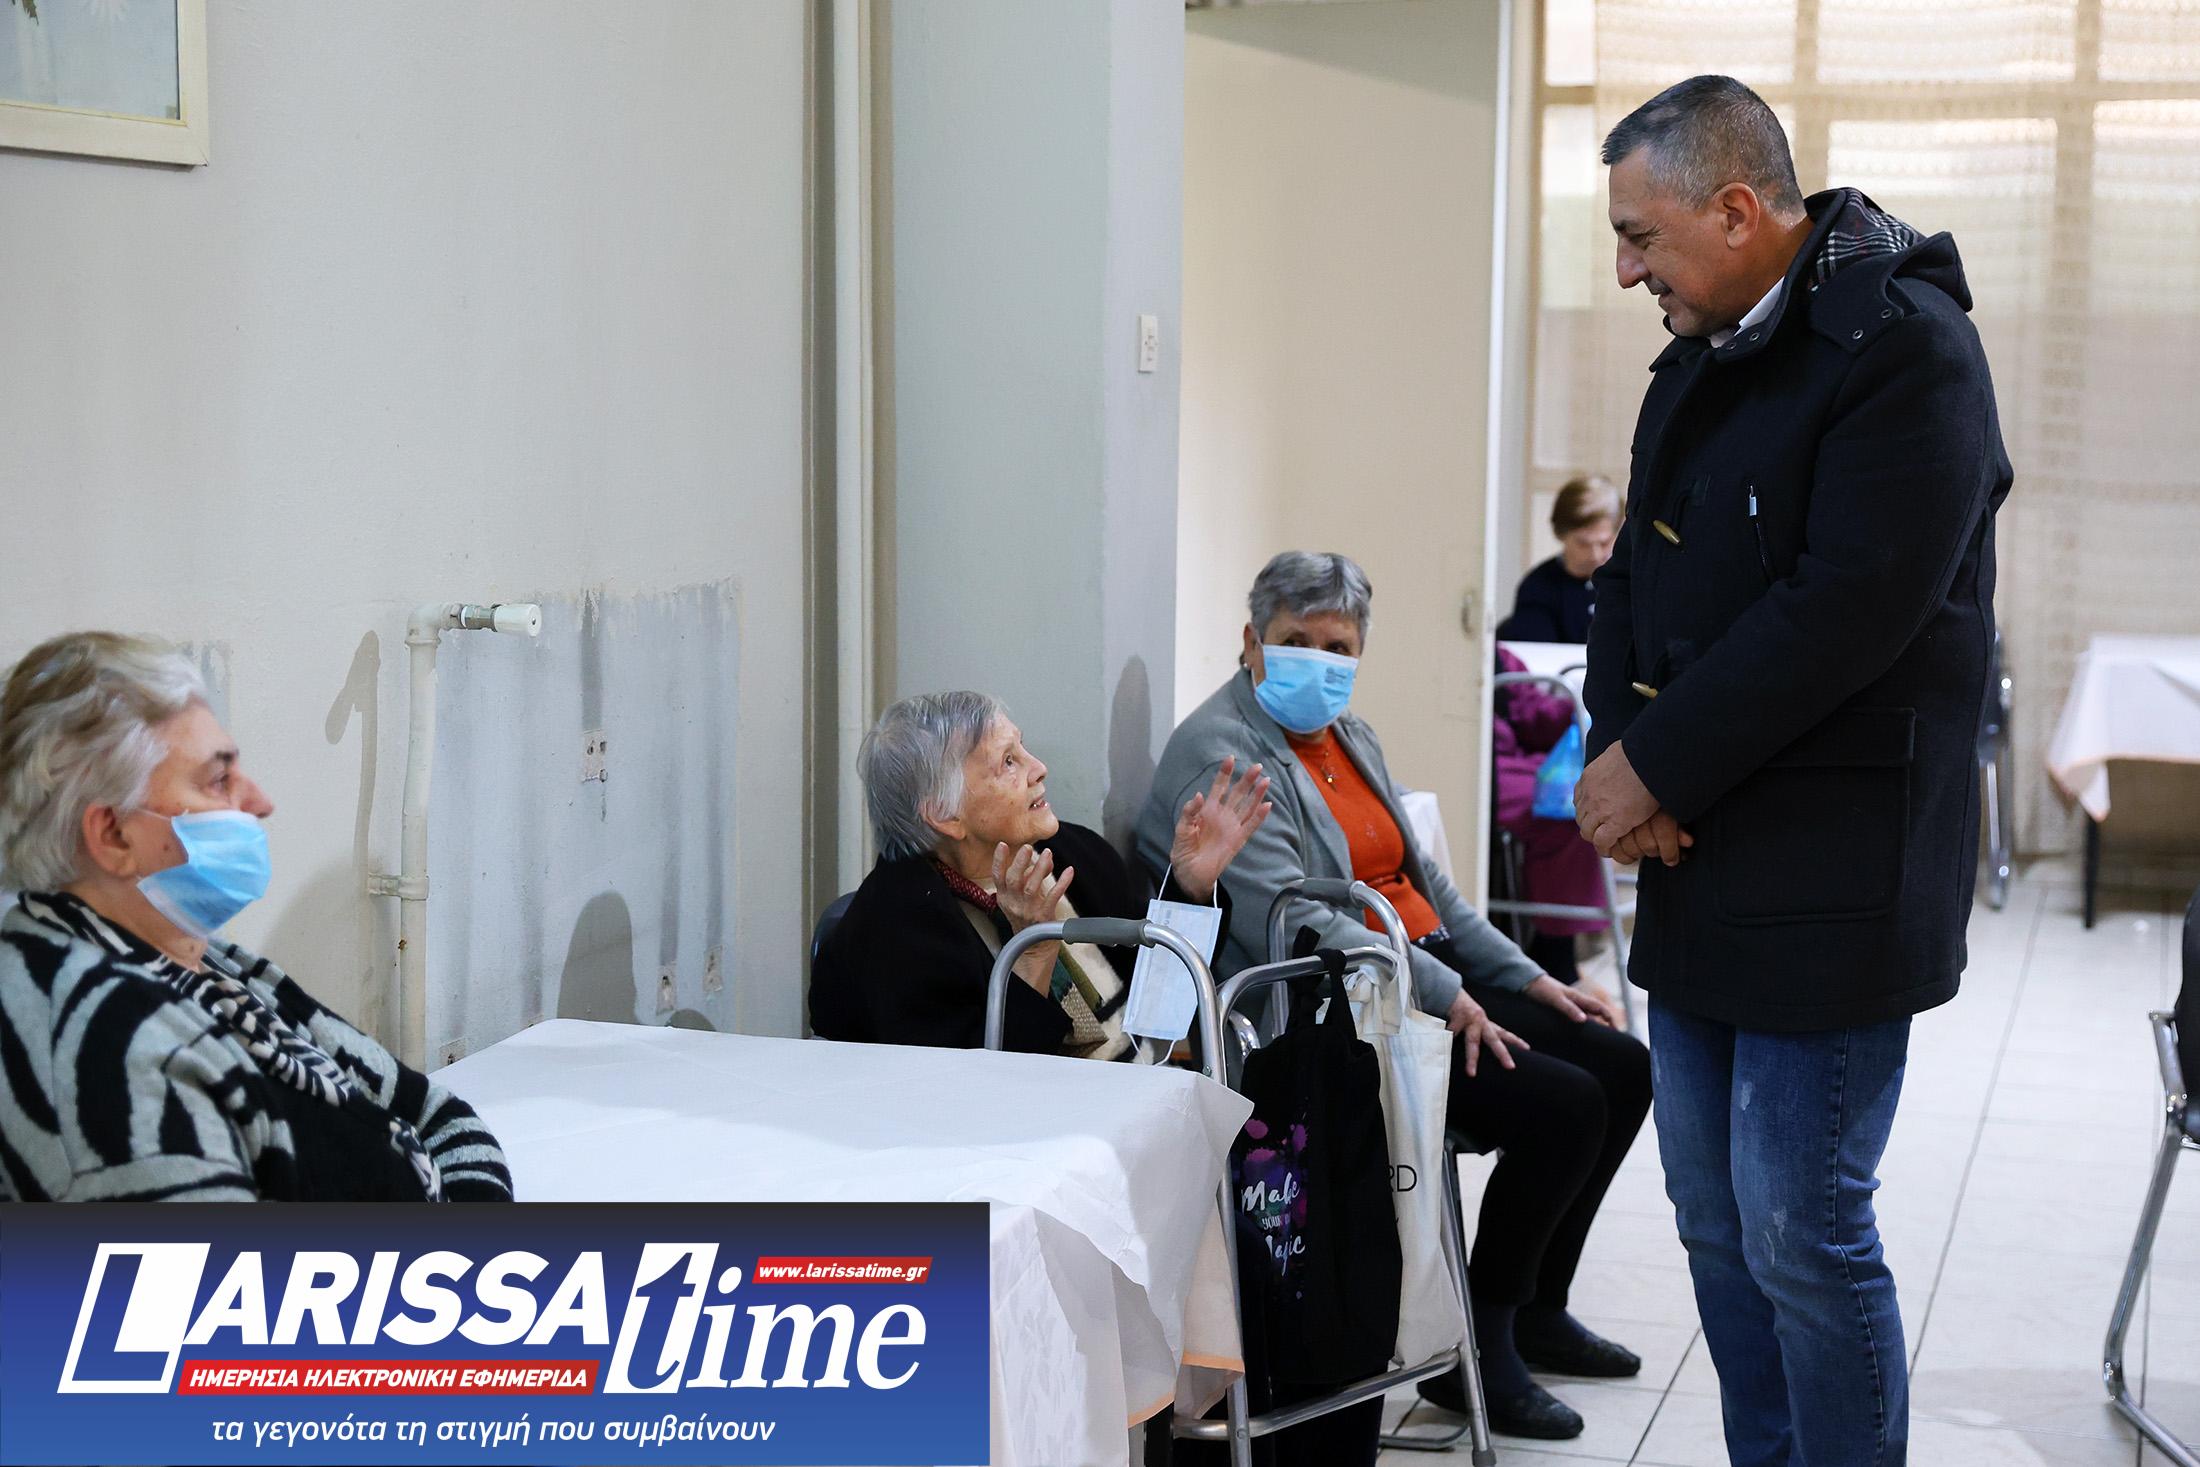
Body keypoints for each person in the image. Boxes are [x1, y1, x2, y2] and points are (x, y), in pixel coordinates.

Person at [1574, 76, 2011, 1466]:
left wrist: (1657, 766)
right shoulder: (1699, 354)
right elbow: (1629, 578)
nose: (1626, 269)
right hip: (1700, 854)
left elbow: (1846, 612)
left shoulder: (1907, 351)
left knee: (1802, 1229)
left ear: (1735, 211)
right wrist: (1620, 757)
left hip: (1833, 870)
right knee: (1712, 1218)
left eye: (1639, 236)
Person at [1141, 551, 1652, 1441]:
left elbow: (1430, 889)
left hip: (1416, 968)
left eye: (1338, 645)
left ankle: (1541, 1307)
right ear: (1251, 640)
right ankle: (1479, 1341)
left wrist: (1526, 974)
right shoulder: (1221, 754)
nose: (1318, 659)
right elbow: (1300, 921)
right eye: (1296, 639)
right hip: (1346, 1006)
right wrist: (1452, 996)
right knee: (1565, 1106)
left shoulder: (1350, 735)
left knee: (1623, 1065)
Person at [0, 632, 511, 1202]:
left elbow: (438, 1115)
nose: (261, 802)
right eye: (218, 780)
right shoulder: (106, 1047)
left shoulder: (204, 960)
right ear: (114, 834)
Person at [810, 691, 1271, 1057]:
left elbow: (1159, 1004)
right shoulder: (894, 932)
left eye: (1022, 748)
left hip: (1139, 1096)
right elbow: (979, 1098)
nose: (1039, 768)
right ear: (945, 815)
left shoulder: (1071, 851)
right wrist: (1034, 953)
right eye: (1008, 762)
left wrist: (1190, 887)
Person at [1491, 644, 1608, 986]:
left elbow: (1535, 715)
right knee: (1566, 808)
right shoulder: (1461, 651)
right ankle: (1556, 956)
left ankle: (1557, 951)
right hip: (1484, 770)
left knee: (1588, 797)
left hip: (1518, 763)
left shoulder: (1498, 656)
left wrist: (1581, 705)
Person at [1498, 475, 1621, 644]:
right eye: (1583, 543)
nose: (1595, 555)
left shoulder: (1629, 582)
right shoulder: (1538, 587)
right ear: (1561, 534)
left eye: (1604, 543)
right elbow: (1538, 654)